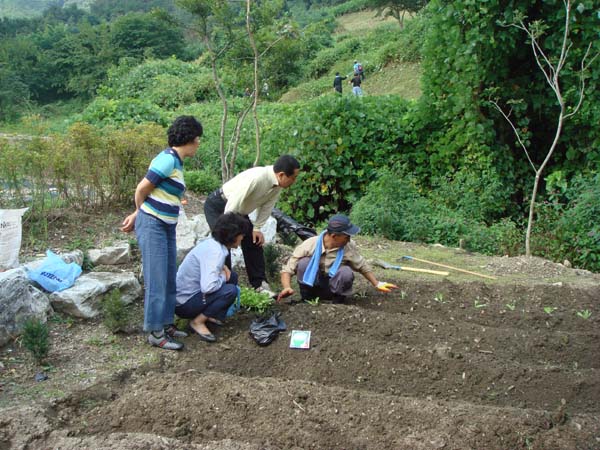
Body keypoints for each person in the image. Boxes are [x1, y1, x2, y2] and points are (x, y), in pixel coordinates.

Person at [121, 115, 203, 351]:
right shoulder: (166, 159)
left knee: (168, 277)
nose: (198, 143)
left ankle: (167, 324)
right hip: (153, 225)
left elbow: (159, 194)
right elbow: (142, 189)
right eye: (197, 139)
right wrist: (139, 213)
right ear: (189, 139)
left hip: (166, 225)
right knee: (156, 279)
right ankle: (155, 332)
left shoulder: (177, 162)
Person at [204, 155, 301, 298]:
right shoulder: (258, 177)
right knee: (225, 244)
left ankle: (260, 285)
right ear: (281, 175)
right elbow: (233, 203)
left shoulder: (277, 186)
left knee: (254, 241)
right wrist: (231, 230)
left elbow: (267, 207)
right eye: (293, 177)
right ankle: (224, 288)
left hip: (240, 211)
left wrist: (256, 228)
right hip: (221, 206)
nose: (294, 181)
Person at [277, 214, 398, 303]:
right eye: (346, 237)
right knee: (304, 263)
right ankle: (307, 299)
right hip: (313, 285)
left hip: (333, 287)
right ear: (334, 236)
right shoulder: (310, 244)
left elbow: (362, 266)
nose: (349, 239)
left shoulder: (348, 246)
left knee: (346, 272)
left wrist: (377, 284)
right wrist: (287, 287)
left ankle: (337, 302)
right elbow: (288, 269)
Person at [175, 212, 248, 343]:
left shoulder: (213, 244)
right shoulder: (216, 253)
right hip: (185, 303)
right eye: (241, 235)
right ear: (233, 236)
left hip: (188, 295)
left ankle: (209, 315)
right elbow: (208, 287)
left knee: (233, 277)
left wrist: (224, 271)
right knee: (230, 290)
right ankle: (198, 322)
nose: (243, 238)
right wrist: (223, 277)